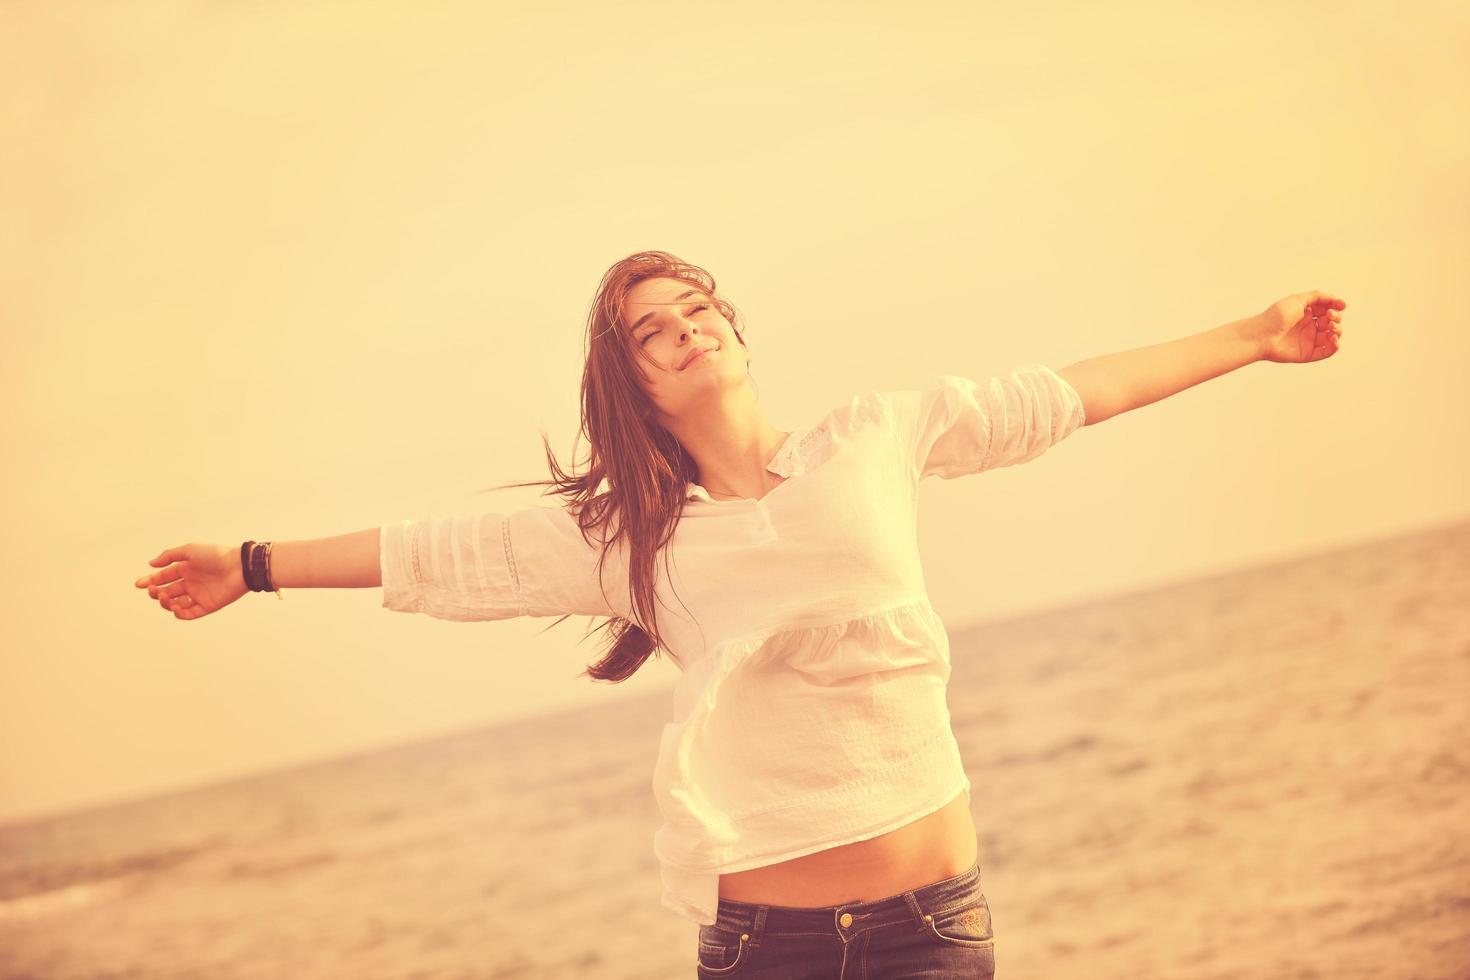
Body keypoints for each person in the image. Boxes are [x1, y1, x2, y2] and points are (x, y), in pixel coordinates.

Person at [132, 250, 1346, 978]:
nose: (685, 328)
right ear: (635, 386)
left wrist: (1253, 335)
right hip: (766, 944)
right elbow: (436, 554)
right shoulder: (623, 537)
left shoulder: (877, 433)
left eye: (697, 306)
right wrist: (251, 560)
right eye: (651, 333)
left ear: (738, 328)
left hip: (934, 924)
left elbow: (1071, 394)